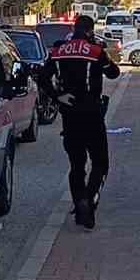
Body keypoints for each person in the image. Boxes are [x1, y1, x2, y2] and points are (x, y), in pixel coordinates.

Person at [38, 14, 121, 230]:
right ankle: (89, 199)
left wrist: (57, 96)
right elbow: (114, 73)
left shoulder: (58, 51)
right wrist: (102, 54)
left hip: (70, 114)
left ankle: (79, 202)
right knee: (100, 162)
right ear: (90, 31)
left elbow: (42, 77)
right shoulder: (95, 51)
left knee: (76, 165)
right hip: (92, 114)